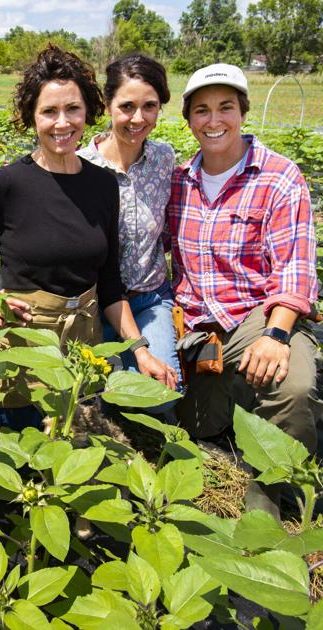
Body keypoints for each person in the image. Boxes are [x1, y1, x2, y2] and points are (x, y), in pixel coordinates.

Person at [0, 44, 144, 431]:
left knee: (70, 447)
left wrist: (138, 348)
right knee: (18, 450)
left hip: (83, 340)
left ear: (88, 112)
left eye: (73, 109)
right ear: (31, 117)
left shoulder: (103, 184)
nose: (62, 123)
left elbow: (111, 283)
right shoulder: (7, 183)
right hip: (24, 341)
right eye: (49, 111)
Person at [167, 63, 323, 516]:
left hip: (255, 315)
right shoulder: (179, 181)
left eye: (225, 107)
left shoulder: (278, 176)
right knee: (197, 426)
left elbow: (296, 265)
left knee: (290, 385)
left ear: (243, 111)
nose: (214, 120)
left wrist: (275, 337)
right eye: (201, 110)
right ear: (189, 119)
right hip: (197, 325)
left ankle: (268, 493)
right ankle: (228, 392)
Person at [76, 53, 179, 402]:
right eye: (127, 106)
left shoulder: (164, 158)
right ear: (107, 105)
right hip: (94, 307)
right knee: (82, 397)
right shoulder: (80, 167)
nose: (138, 118)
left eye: (149, 106)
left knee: (156, 400)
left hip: (149, 301)